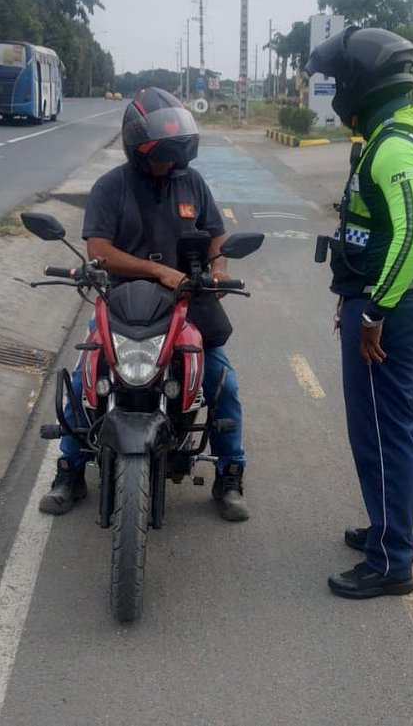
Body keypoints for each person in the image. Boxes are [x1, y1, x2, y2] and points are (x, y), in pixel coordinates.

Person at [306, 26, 413, 599]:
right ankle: (388, 528)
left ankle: (391, 560)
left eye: (340, 82)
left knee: (381, 432)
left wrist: (374, 309)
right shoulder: (411, 131)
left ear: (363, 84)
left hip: (390, 308)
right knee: (385, 427)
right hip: (383, 297)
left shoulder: (395, 144)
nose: (336, 94)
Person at [38, 87, 249, 522]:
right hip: (121, 306)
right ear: (137, 149)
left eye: (174, 154)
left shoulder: (192, 183)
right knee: (84, 381)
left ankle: (229, 472)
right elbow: (99, 249)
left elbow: (216, 235)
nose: (168, 163)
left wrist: (219, 269)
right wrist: (156, 271)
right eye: (159, 154)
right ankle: (69, 469)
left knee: (222, 382)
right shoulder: (111, 187)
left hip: (187, 304)